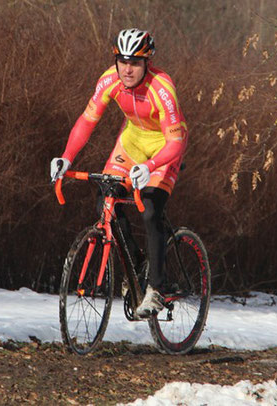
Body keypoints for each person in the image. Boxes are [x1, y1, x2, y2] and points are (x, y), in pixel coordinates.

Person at [50, 28, 187, 318]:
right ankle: (137, 266)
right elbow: (87, 121)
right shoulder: (109, 81)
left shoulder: (161, 87)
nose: (128, 69)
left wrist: (149, 167)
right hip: (134, 141)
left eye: (135, 63)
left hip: (165, 147)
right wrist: (66, 157)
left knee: (150, 208)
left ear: (146, 63)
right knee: (106, 203)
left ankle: (157, 289)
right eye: (123, 61)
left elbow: (176, 141)